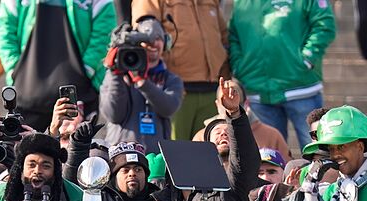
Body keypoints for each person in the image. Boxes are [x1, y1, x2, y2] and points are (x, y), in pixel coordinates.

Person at [229, 0, 336, 149]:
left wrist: (306, 59)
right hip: (257, 91)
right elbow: (233, 36)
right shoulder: (241, 2)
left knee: (319, 153)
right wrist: (238, 67)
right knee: (269, 159)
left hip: (301, 87)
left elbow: (324, 25)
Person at [0, 0, 116, 130]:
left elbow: (105, 33)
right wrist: (15, 69)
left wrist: (87, 69)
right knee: (28, 148)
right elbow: (4, 30)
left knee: (75, 148)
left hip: (78, 92)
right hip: (27, 94)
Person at [131, 0, 229, 141]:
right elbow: (146, 31)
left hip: (212, 89)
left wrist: (225, 80)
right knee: (176, 154)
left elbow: (224, 38)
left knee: (210, 154)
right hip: (176, 91)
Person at [100, 16, 183, 153]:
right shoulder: (116, 74)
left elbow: (168, 108)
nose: (153, 44)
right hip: (121, 158)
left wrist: (142, 82)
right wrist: (116, 73)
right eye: (146, 39)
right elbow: (113, 115)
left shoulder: (171, 79)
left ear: (166, 43)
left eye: (158, 39)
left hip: (156, 159)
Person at [0, 132, 82, 201]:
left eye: (46, 166)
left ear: (55, 170)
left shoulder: (77, 197)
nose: (37, 171)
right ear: (21, 167)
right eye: (31, 165)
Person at [193, 79, 292, 162]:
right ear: (217, 105)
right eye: (225, 105)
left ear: (247, 103)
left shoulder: (271, 135)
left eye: (236, 105)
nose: (229, 110)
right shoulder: (201, 137)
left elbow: (285, 170)